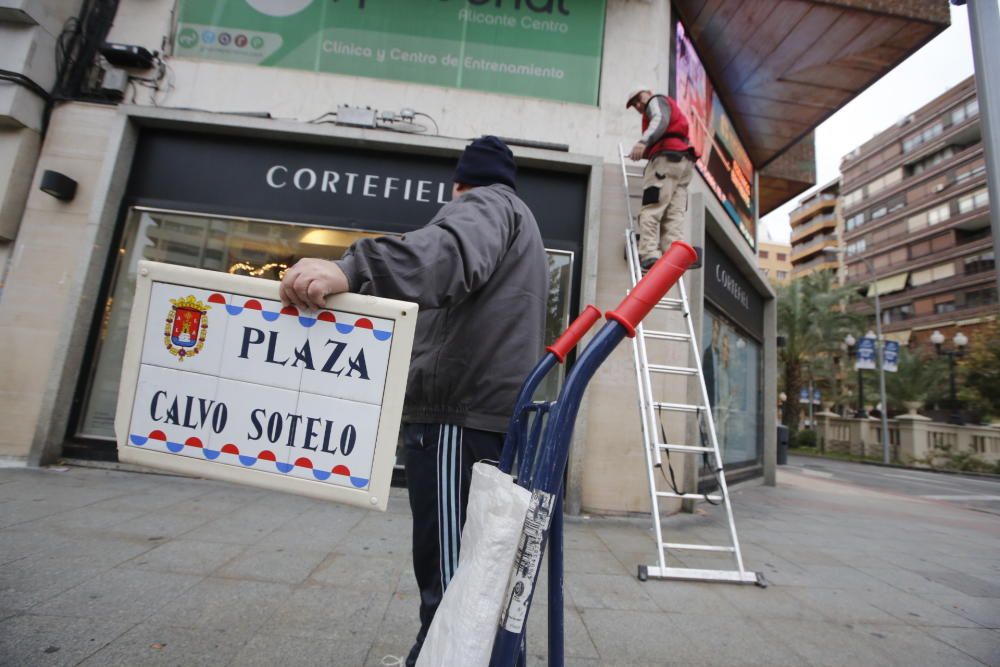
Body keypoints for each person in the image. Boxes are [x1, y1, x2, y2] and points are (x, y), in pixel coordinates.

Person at [279, 135, 548, 667]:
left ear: (457, 185)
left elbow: (445, 254)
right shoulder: (521, 222)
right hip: (483, 415)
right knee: (476, 579)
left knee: (452, 584)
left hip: (457, 415)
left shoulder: (485, 206)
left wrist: (353, 269)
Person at [625, 85, 700, 271]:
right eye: (634, 104)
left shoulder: (656, 101)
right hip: (683, 162)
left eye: (638, 98)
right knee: (675, 213)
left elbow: (660, 119)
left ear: (648, 92)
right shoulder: (669, 107)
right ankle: (673, 255)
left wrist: (643, 142)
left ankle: (649, 254)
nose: (639, 104)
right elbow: (666, 126)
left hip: (665, 161)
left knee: (652, 207)